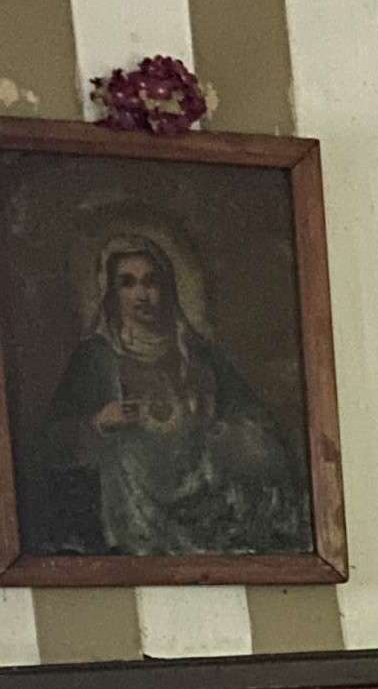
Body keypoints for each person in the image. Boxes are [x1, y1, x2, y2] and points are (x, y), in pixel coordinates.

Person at [24, 234, 298, 558]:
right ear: (111, 293)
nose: (142, 295)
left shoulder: (200, 356)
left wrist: (226, 435)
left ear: (168, 289)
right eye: (128, 283)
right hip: (130, 516)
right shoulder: (94, 359)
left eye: (151, 282)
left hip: (210, 508)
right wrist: (99, 423)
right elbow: (49, 446)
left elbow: (260, 426)